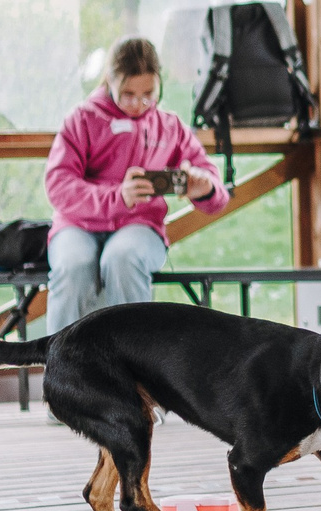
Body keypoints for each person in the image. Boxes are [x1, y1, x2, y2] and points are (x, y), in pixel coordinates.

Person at [43, 37, 229, 332]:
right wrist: (117, 197)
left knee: (123, 258)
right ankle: (59, 368)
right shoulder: (81, 119)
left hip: (140, 228)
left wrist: (204, 187)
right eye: (128, 94)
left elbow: (216, 191)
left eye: (148, 94)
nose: (138, 104)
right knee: (73, 265)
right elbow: (59, 184)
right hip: (78, 226)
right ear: (109, 81)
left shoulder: (170, 127)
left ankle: (133, 368)